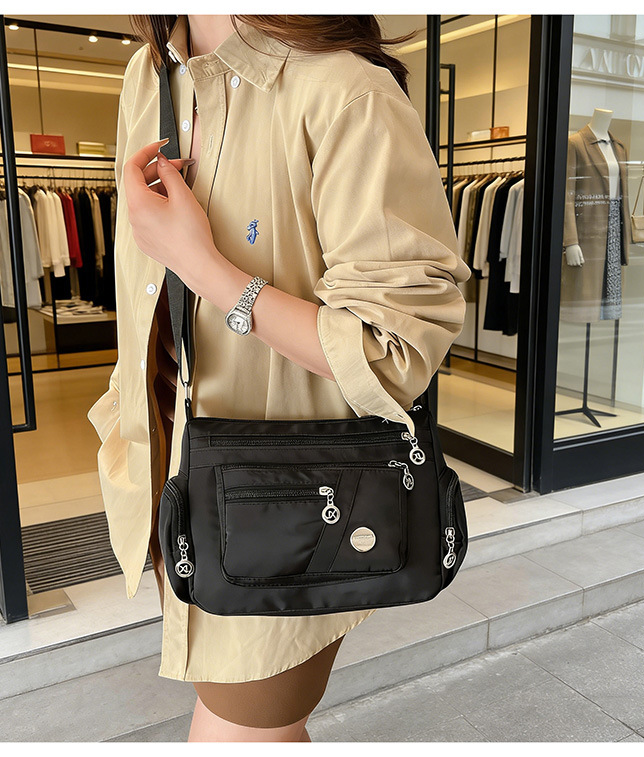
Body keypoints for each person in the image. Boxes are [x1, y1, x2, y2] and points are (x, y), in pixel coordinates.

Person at [87, 13, 472, 743]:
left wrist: (207, 269)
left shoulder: (345, 92)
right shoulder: (149, 72)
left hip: (283, 501)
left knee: (245, 727)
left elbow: (394, 349)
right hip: (170, 475)